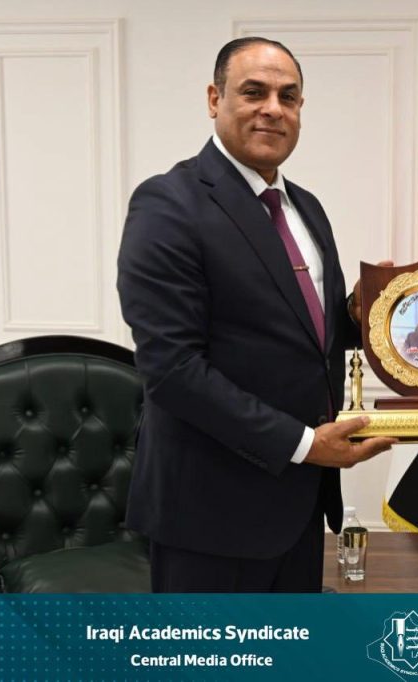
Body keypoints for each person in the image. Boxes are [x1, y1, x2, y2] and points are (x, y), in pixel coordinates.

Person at [117, 37, 394, 593]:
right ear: (214, 98)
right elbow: (173, 369)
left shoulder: (306, 207)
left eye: (288, 96)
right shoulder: (168, 203)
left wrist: (355, 314)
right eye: (254, 92)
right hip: (209, 515)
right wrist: (306, 444)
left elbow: (302, 339)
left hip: (300, 507)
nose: (273, 108)